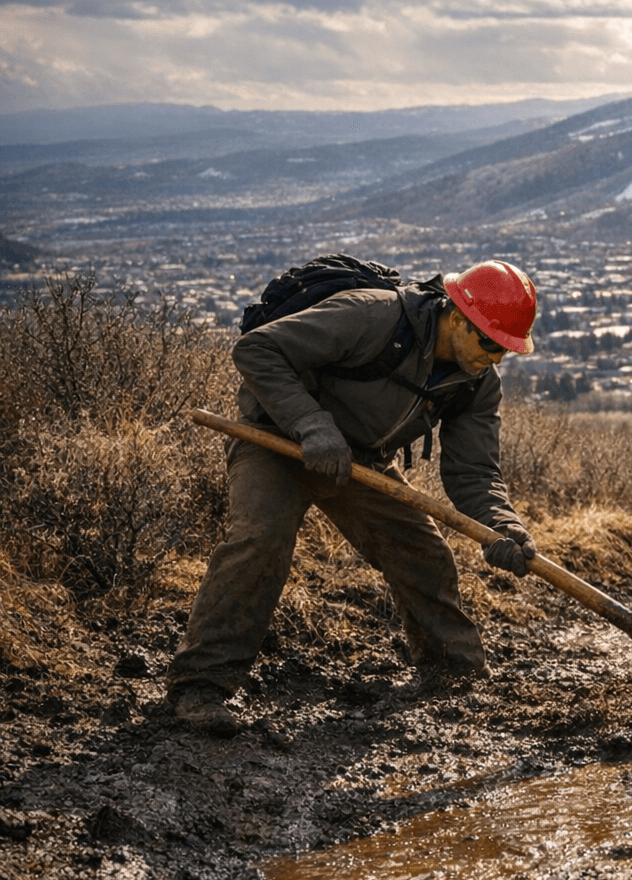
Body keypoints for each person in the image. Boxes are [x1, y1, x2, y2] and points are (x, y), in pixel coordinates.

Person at [165, 259, 542, 737]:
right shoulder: (373, 316)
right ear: (455, 316)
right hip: (275, 439)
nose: (494, 359)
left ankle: (456, 677)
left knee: (421, 551)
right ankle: (199, 686)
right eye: (490, 343)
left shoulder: (476, 383)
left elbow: (473, 471)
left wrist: (502, 526)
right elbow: (259, 350)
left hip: (358, 460)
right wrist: (313, 425)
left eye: (505, 351)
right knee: (260, 539)